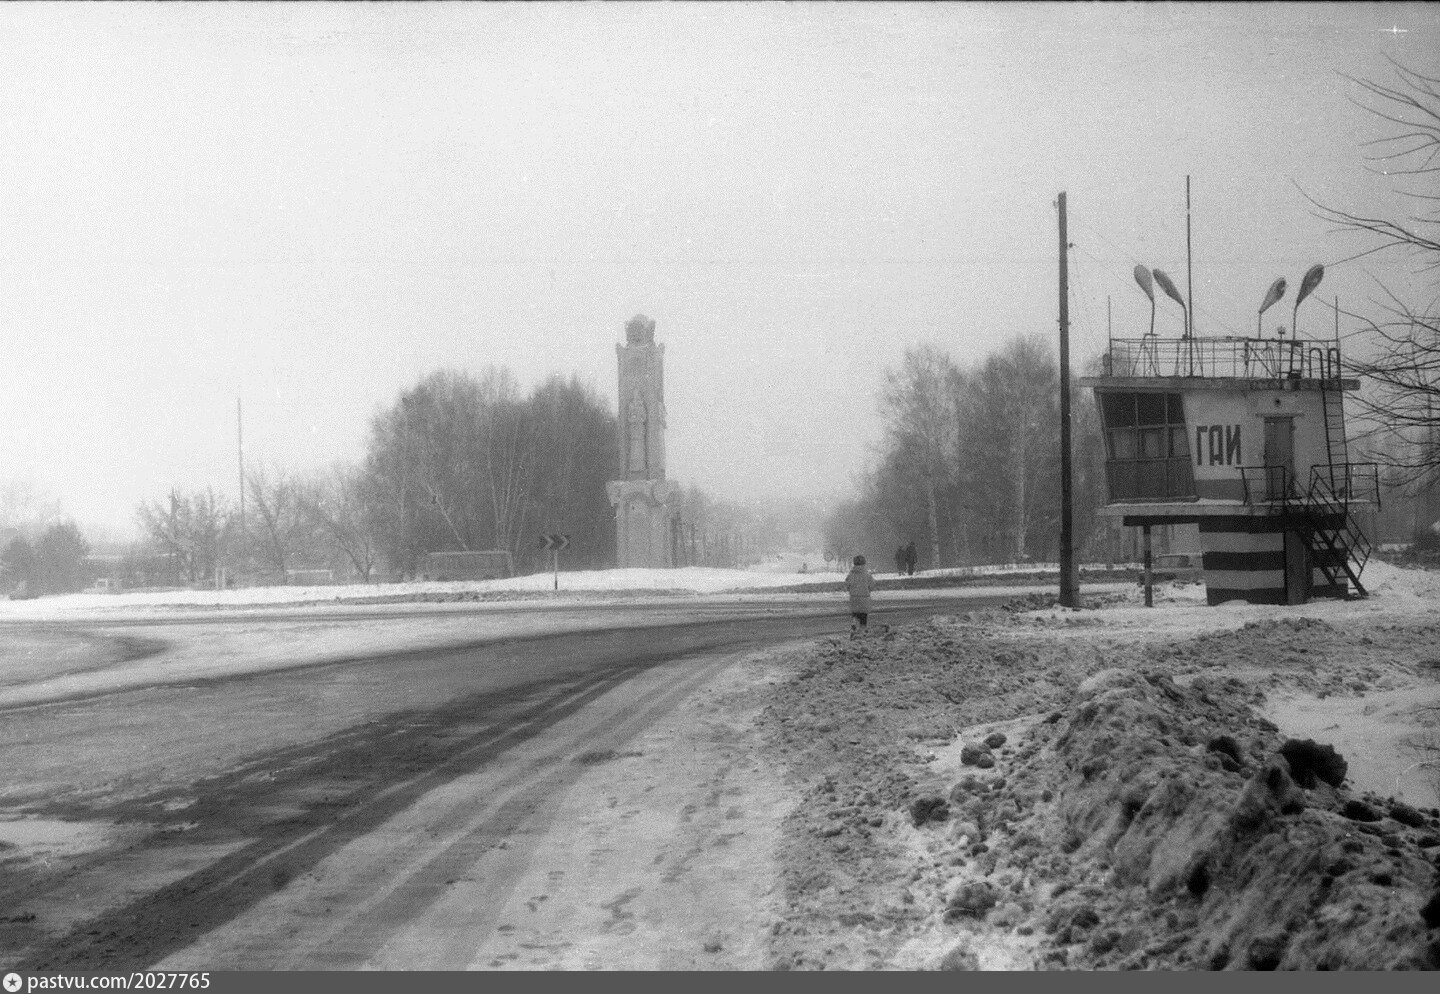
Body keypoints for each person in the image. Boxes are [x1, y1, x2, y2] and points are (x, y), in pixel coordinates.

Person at [845, 554, 873, 634]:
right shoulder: (867, 574)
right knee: (863, 614)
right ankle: (862, 629)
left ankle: (854, 621)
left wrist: (850, 590)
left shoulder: (851, 574)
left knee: (855, 612)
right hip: (864, 597)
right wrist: (868, 590)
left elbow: (847, 584)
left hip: (854, 597)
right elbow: (872, 584)